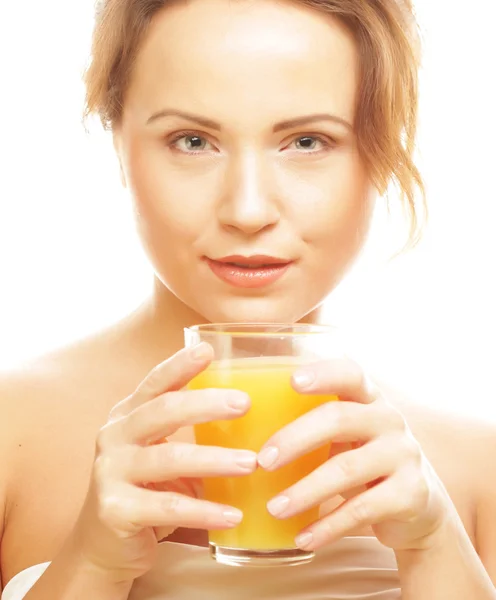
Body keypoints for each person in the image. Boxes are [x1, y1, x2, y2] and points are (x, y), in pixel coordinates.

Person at [1, 0, 495, 598]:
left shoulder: (477, 469)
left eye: (308, 141)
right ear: (118, 141)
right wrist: (91, 565)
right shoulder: (12, 434)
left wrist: (433, 545)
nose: (248, 210)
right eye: (191, 141)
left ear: (383, 152)